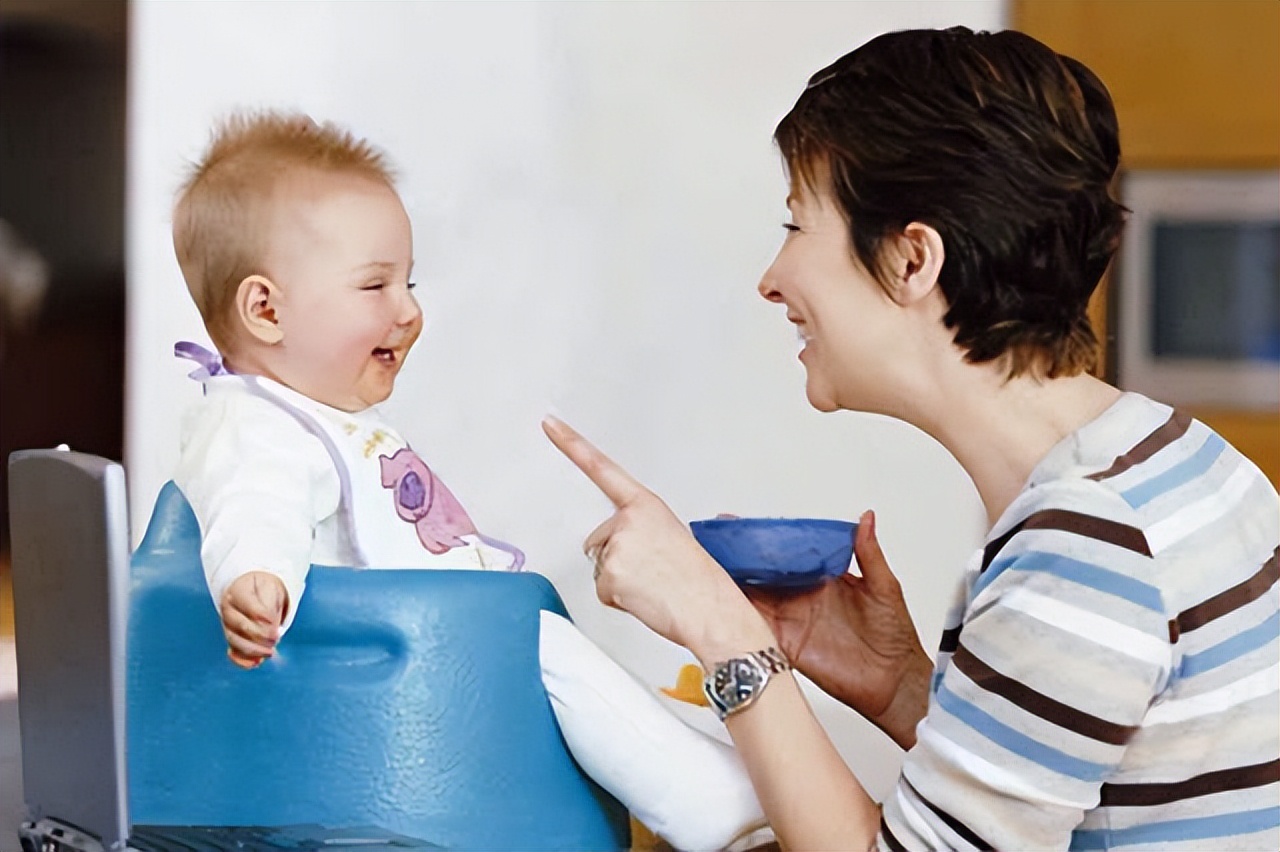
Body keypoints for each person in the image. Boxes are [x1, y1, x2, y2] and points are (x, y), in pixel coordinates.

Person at [544, 26, 1280, 851]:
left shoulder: (1087, 548)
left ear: (910, 259)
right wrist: (899, 687)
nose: (772, 278)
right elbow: (1085, 789)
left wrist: (723, 632)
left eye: (796, 225)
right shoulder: (1186, 462)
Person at [168, 110, 770, 851]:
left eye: (409, 282)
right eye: (374, 286)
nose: (410, 310)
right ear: (265, 309)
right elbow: (250, 503)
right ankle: (727, 811)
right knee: (545, 653)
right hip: (383, 676)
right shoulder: (253, 425)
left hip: (434, 658)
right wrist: (255, 579)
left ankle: (681, 780)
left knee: (554, 652)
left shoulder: (317, 416)